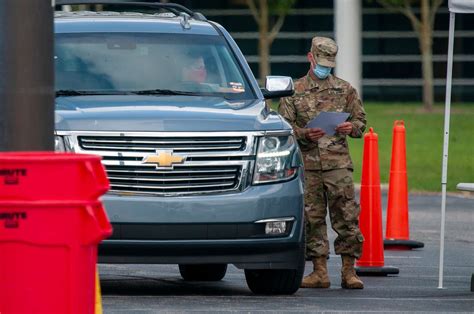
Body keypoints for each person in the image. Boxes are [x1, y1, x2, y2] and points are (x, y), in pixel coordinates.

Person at [278, 37, 366, 289]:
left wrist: (351, 127)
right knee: (312, 218)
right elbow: (284, 128)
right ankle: (319, 272)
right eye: (321, 62)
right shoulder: (293, 91)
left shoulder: (345, 89)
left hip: (338, 164)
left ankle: (349, 271)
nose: (325, 68)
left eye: (329, 64)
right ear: (310, 58)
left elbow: (361, 123)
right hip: (308, 164)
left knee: (346, 215)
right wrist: (305, 133)